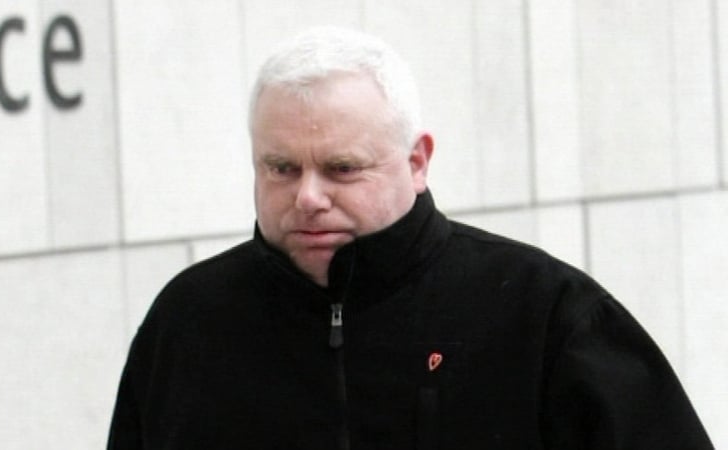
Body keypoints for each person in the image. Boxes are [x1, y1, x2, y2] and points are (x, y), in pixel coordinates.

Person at [107, 27, 713, 449]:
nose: (308, 197)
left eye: (342, 168)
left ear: (417, 161)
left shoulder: (546, 315)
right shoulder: (186, 328)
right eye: (281, 168)